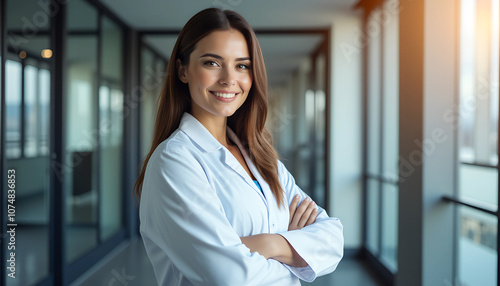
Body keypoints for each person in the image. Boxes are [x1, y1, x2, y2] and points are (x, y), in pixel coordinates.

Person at [134, 8, 343, 286]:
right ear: (183, 70)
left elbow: (333, 239)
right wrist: (296, 251)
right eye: (212, 63)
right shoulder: (174, 161)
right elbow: (229, 277)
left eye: (242, 65)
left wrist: (267, 244)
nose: (229, 79)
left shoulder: (259, 156)